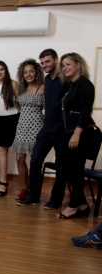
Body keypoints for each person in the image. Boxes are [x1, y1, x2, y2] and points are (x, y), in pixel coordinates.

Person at [17, 49, 69, 208]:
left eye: (48, 61)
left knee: (60, 166)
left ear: (56, 60)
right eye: (43, 62)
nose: (45, 65)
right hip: (47, 127)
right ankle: (33, 196)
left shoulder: (65, 80)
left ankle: (56, 199)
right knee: (35, 161)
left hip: (62, 129)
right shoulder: (48, 79)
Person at [55, 52, 95, 218]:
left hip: (80, 133)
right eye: (63, 65)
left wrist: (77, 133)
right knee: (70, 169)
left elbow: (86, 111)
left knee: (75, 170)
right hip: (68, 132)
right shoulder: (71, 85)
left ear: (78, 64)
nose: (65, 68)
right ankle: (83, 205)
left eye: (68, 64)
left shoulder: (84, 84)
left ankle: (72, 206)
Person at [11, 59, 45, 200]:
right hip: (22, 125)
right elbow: (17, 105)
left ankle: (34, 190)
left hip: (37, 125)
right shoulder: (21, 88)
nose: (28, 74)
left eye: (31, 71)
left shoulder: (43, 87)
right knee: (19, 158)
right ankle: (25, 188)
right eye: (25, 72)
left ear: (37, 71)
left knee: (34, 160)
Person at [0, 61, 19, 197]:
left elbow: (21, 103)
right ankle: (2, 181)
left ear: (6, 70)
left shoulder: (12, 84)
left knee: (1, 150)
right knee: (1, 151)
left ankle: (3, 182)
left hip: (12, 119)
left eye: (2, 69)